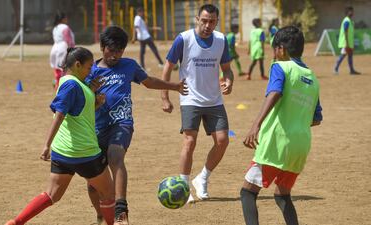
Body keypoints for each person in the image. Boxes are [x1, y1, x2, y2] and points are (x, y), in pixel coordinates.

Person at [85, 26, 188, 225]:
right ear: (102, 47)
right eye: (111, 50)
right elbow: (80, 99)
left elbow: (149, 82)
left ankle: (121, 211)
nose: (115, 55)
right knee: (93, 184)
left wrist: (173, 86)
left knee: (116, 157)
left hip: (121, 123)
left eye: (119, 51)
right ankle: (100, 215)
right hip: (95, 129)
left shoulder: (129, 66)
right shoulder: (91, 72)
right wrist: (91, 92)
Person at [5, 47, 113, 225]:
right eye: (88, 67)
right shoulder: (71, 84)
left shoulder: (75, 84)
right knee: (108, 194)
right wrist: (46, 144)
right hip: (84, 152)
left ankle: (16, 222)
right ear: (77, 65)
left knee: (52, 195)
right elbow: (60, 115)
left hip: (63, 153)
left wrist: (96, 103)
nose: (90, 71)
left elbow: (78, 114)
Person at [240, 26, 323, 225]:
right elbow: (316, 119)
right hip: (300, 146)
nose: (274, 54)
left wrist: (255, 125)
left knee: (247, 192)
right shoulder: (313, 78)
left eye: (274, 49)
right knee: (282, 195)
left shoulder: (281, 67)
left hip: (275, 144)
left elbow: (275, 93)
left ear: (281, 49)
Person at [161, 4, 234, 203]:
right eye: (204, 20)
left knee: (222, 141)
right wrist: (165, 97)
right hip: (190, 98)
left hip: (214, 100)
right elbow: (167, 68)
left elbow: (227, 69)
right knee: (190, 141)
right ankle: (183, 188)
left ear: (217, 22)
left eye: (212, 21)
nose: (207, 25)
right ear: (197, 19)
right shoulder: (183, 39)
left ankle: (202, 178)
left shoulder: (220, 40)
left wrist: (229, 81)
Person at [50, 12, 75, 90]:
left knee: (57, 67)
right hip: (63, 48)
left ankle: (57, 82)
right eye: (66, 18)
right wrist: (72, 49)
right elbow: (68, 40)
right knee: (64, 67)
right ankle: (61, 84)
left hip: (55, 48)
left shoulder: (55, 28)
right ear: (63, 19)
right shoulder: (65, 27)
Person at [334, 6, 361, 75]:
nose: (352, 12)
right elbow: (345, 32)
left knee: (350, 56)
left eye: (352, 11)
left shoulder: (350, 21)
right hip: (345, 42)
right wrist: (346, 43)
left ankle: (352, 70)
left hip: (349, 43)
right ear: (347, 12)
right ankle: (335, 69)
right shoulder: (346, 21)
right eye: (350, 11)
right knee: (343, 55)